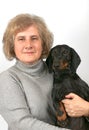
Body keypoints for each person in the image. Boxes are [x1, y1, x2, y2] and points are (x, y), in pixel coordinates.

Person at [0, 13, 70, 130]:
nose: (28, 45)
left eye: (34, 38)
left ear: (43, 43)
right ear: (12, 46)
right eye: (21, 39)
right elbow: (21, 123)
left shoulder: (57, 71)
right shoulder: (7, 78)